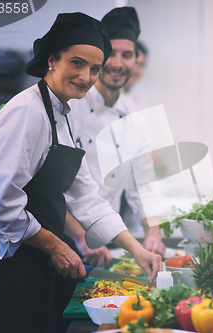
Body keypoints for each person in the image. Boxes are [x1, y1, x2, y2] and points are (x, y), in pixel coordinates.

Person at [0, 12, 161, 333]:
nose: (86, 76)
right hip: (4, 260)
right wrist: (58, 246)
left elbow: (85, 193)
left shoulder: (62, 112)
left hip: (35, 256)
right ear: (52, 60)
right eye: (77, 63)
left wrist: (137, 249)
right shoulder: (25, 112)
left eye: (94, 69)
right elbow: (0, 206)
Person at [67, 6, 166, 262]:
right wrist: (79, 236)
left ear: (136, 60)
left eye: (128, 55)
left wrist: (152, 231)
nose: (118, 64)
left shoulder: (133, 115)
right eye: (111, 53)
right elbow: (49, 188)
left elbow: (142, 184)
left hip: (106, 240)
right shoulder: (71, 106)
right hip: (61, 236)